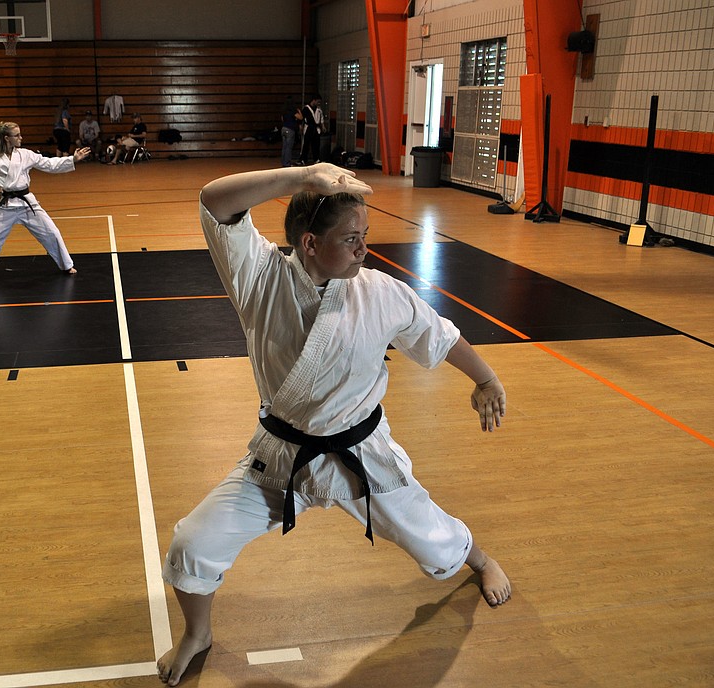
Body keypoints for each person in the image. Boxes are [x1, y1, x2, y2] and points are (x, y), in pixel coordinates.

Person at [157, 164, 512, 686]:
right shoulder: (260, 278)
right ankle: (198, 633)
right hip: (281, 455)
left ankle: (479, 560)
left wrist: (486, 379)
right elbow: (215, 199)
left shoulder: (381, 292)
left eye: (365, 235)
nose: (364, 249)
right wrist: (303, 177)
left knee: (435, 544)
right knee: (193, 543)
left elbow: (439, 335)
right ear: (309, 243)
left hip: (361, 454)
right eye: (350, 239)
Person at [0, 121, 90, 281]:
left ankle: (66, 265)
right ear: (7, 138)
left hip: (27, 204)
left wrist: (73, 159)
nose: (21, 138)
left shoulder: (25, 154)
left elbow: (49, 164)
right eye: (17, 135)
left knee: (51, 233)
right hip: (6, 206)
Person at [300, 94, 324, 165]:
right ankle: (303, 159)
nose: (319, 103)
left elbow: (321, 118)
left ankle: (316, 159)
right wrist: (301, 126)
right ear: (314, 100)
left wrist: (322, 126)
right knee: (306, 144)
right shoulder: (306, 108)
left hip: (316, 128)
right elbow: (302, 118)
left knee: (316, 144)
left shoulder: (319, 109)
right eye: (318, 102)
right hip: (308, 128)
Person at [280, 96, 303, 167]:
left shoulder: (284, 111)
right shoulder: (293, 110)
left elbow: (282, 119)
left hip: (283, 128)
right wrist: (299, 111)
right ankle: (287, 163)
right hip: (290, 129)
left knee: (284, 147)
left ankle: (283, 162)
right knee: (289, 147)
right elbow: (300, 117)